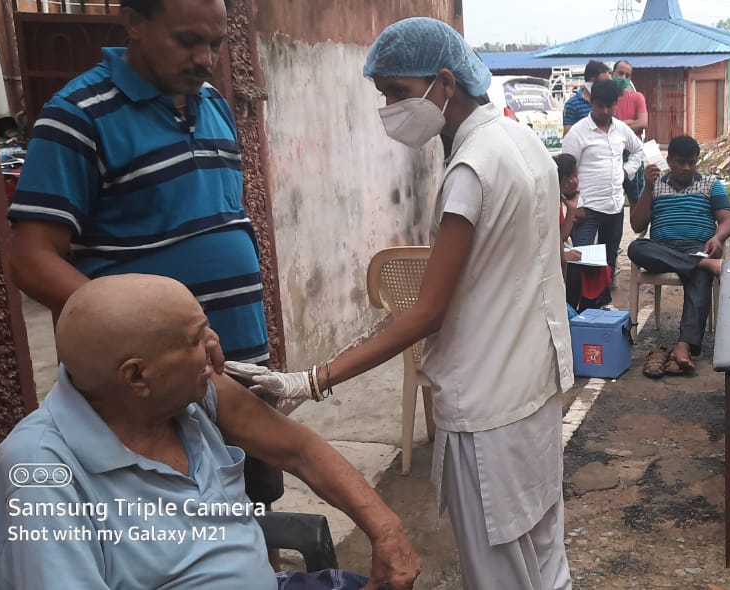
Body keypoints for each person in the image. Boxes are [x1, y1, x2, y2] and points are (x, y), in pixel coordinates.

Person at [227, 18, 575, 589]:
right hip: (535, 389)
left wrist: (311, 380)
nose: (389, 108)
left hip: (487, 410)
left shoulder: (471, 169)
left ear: (446, 82)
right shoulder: (524, 143)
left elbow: (425, 312)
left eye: (397, 92)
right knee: (544, 557)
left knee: (499, 574)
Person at [5, 0, 283, 521]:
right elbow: (31, 257)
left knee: (254, 515)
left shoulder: (213, 103)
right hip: (149, 384)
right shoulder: (77, 115)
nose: (205, 59)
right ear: (134, 22)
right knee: (167, 532)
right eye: (187, 41)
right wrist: (142, 330)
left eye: (215, 43)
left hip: (237, 368)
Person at [0, 275, 419, 590]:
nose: (215, 349)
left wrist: (386, 529)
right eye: (196, 339)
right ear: (137, 376)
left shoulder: (186, 394)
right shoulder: (40, 469)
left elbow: (299, 449)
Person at [628, 136, 730, 377]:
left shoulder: (711, 184)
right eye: (680, 162)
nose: (687, 167)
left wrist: (718, 238)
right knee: (636, 247)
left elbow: (727, 220)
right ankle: (704, 263)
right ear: (669, 161)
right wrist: (648, 189)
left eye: (692, 162)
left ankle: (683, 346)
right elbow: (637, 225)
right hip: (661, 250)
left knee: (700, 275)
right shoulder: (655, 185)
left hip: (697, 247)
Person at [561, 79, 643, 305]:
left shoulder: (621, 129)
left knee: (608, 261)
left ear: (615, 104)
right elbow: (565, 171)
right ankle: (578, 311)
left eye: (610, 106)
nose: (605, 111)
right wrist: (575, 205)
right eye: (600, 106)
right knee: (584, 260)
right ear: (592, 103)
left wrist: (626, 171)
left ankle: (601, 308)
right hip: (587, 210)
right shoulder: (578, 133)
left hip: (614, 207)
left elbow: (638, 151)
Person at [555, 153, 611, 311]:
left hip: (560, 248)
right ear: (565, 180)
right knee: (575, 270)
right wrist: (562, 255)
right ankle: (572, 311)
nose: (577, 181)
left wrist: (571, 209)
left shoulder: (560, 198)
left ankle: (587, 310)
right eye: (575, 176)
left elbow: (562, 236)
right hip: (551, 254)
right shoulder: (548, 199)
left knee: (599, 267)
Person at [613, 60, 649, 205]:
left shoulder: (637, 97)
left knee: (637, 199)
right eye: (620, 73)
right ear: (612, 74)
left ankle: (637, 221)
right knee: (612, 198)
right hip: (612, 153)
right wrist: (629, 124)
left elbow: (643, 123)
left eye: (627, 75)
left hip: (633, 153)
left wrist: (618, 125)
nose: (623, 78)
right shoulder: (606, 100)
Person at [561, 59, 610, 134]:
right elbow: (568, 134)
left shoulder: (608, 103)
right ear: (592, 81)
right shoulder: (572, 104)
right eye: (603, 83)